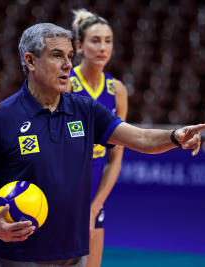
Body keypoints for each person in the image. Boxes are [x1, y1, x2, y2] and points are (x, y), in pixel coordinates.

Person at [0, 23, 205, 267]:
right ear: (30, 61)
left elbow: (141, 139)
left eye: (70, 56)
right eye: (57, 56)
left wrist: (175, 136)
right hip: (16, 256)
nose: (68, 64)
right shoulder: (0, 117)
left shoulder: (85, 109)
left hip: (74, 256)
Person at [69, 9, 127, 266]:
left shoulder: (118, 90)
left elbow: (116, 158)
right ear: (79, 45)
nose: (103, 47)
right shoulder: (66, 84)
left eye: (108, 40)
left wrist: (94, 207)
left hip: (93, 199)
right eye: (95, 40)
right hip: (60, 195)